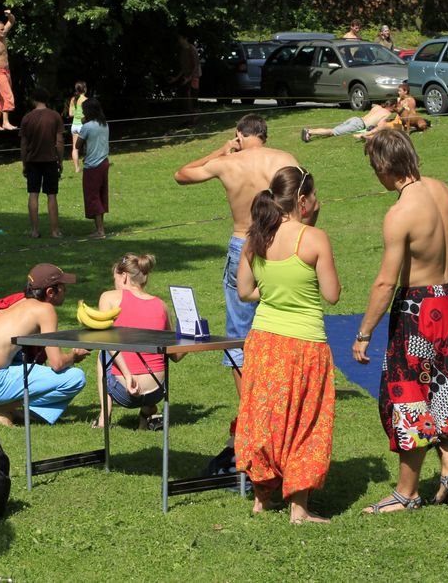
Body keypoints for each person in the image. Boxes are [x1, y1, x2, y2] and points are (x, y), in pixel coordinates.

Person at [352, 129, 448, 512]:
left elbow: (386, 282)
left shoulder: (400, 213)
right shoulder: (443, 192)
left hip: (417, 310)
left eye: (376, 169)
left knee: (409, 398)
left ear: (386, 166)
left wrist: (363, 333)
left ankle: (406, 493)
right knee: (445, 389)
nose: (376, 176)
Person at [235, 166, 340, 524]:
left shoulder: (257, 236)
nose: (317, 201)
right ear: (302, 200)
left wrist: (273, 289)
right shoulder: (314, 239)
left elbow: (245, 291)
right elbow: (332, 295)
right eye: (314, 196)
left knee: (265, 419)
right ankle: (299, 507)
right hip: (305, 343)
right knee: (305, 422)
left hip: (264, 341)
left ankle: (262, 498)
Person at [174, 114, 299, 395]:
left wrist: (219, 151)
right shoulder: (284, 159)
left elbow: (181, 174)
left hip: (242, 242)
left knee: (240, 333)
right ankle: (279, 394)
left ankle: (247, 410)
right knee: (283, 321)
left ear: (239, 134)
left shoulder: (228, 163)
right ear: (264, 135)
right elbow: (309, 201)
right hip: (279, 243)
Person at [0, 263, 89, 426]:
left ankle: (18, 410)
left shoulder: (16, 302)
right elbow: (57, 364)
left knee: (20, 356)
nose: (66, 291)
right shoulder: (45, 309)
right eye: (62, 287)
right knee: (75, 378)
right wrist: (74, 356)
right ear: (50, 292)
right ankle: (2, 408)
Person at [93, 253, 184, 429]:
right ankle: (147, 411)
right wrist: (192, 336)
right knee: (153, 351)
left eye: (116, 279)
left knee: (104, 348)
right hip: (156, 391)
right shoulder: (162, 306)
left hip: (125, 391)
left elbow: (107, 341)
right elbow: (176, 355)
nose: (115, 284)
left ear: (124, 277)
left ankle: (104, 418)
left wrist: (128, 375)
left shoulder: (109, 297)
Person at [301, 83, 426, 143]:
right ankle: (310, 132)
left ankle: (311, 131)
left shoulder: (377, 107)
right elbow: (383, 124)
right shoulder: (386, 114)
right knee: (332, 132)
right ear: (392, 107)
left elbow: (373, 105)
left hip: (355, 118)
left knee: (334, 129)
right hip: (358, 125)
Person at [19, 86, 65, 239]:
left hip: (32, 160)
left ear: (33, 99)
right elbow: (59, 141)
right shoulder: (55, 116)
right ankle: (55, 231)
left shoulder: (27, 118)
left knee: (33, 194)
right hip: (50, 160)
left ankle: (34, 230)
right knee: (52, 195)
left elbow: (24, 144)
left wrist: (24, 163)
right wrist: (60, 160)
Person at [76, 97, 110, 239]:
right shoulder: (104, 124)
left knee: (93, 196)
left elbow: (77, 145)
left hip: (92, 165)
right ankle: (100, 227)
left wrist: (83, 125)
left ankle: (100, 231)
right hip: (104, 162)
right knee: (101, 195)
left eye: (84, 110)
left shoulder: (87, 127)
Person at [169, 34, 201, 127]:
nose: (179, 40)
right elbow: (183, 68)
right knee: (187, 99)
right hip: (186, 78)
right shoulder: (183, 50)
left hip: (194, 77)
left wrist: (189, 78)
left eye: (180, 38)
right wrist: (176, 78)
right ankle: (189, 120)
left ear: (185, 38)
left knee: (192, 98)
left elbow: (196, 66)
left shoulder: (192, 49)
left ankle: (194, 120)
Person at [68, 81, 87, 173]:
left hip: (74, 125)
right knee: (88, 146)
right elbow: (88, 114)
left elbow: (70, 114)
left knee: (75, 148)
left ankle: (77, 168)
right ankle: (89, 165)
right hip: (83, 125)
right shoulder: (86, 100)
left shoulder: (73, 99)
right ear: (84, 89)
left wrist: (77, 113)